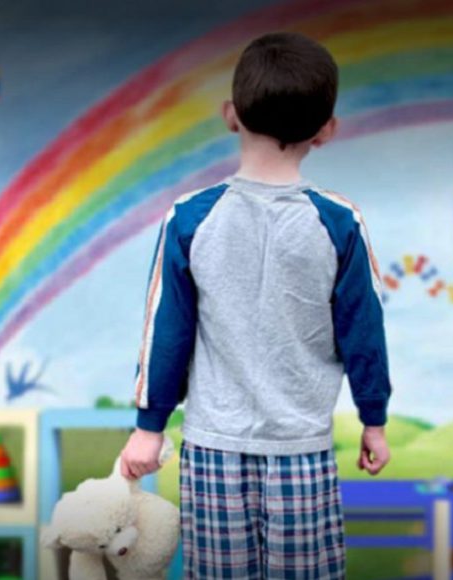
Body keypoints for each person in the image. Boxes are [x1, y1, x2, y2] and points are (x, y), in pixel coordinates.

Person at [119, 31, 393, 579]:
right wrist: (374, 420)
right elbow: (364, 331)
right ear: (326, 130)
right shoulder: (341, 222)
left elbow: (166, 331)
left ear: (230, 115)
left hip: (212, 451)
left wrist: (150, 426)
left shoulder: (188, 218)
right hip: (302, 450)